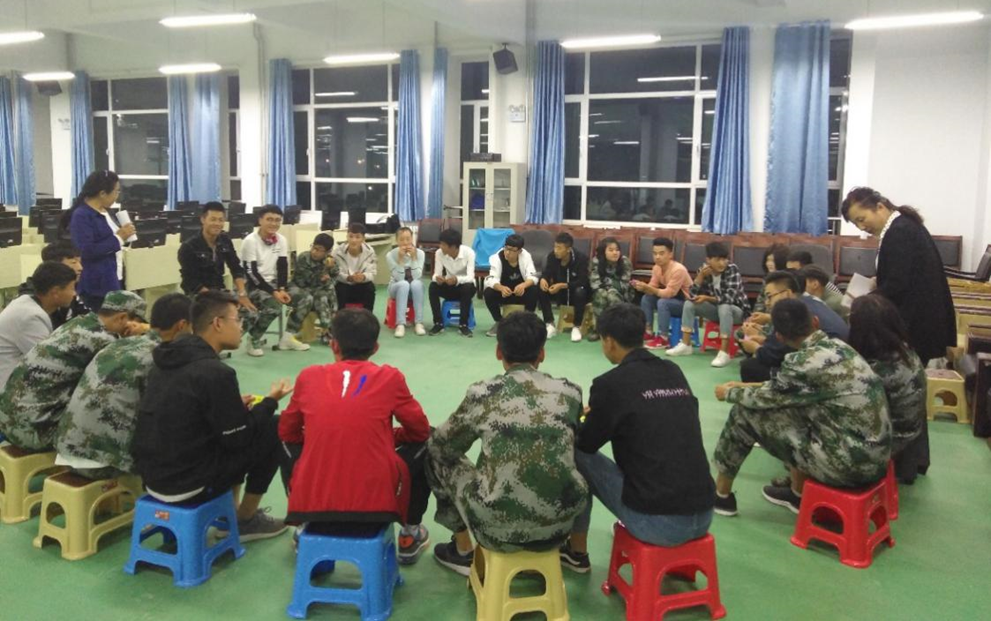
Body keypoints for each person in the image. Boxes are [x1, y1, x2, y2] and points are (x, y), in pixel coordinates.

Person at [427, 312, 588, 575]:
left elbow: (441, 447)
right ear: (542, 353)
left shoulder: (482, 394)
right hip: (558, 530)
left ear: (498, 352)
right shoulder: (570, 392)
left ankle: (463, 549)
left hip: (494, 531)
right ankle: (574, 551)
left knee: (433, 454)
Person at [561, 304, 714, 573]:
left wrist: (583, 418)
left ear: (609, 341)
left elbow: (587, 442)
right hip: (703, 516)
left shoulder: (609, 384)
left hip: (657, 524)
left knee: (573, 450)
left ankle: (577, 552)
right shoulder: (673, 370)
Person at [131, 291, 292, 542]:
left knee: (239, 426)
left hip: (153, 477)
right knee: (273, 426)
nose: (241, 327)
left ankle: (231, 513)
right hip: (188, 483)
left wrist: (233, 408)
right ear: (217, 323)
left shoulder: (166, 360)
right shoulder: (215, 372)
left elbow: (188, 414)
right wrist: (270, 402)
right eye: (237, 320)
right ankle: (245, 519)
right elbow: (238, 438)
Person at [279, 309, 433, 564]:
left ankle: (303, 524)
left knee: (283, 440)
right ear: (375, 348)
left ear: (333, 345)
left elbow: (288, 432)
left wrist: (323, 438)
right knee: (429, 440)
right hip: (378, 508)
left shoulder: (308, 376)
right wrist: (388, 436)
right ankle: (410, 531)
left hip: (316, 505)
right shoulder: (390, 377)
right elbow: (419, 430)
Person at [710, 299, 890, 516]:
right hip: (877, 459)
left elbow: (766, 399)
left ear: (779, 337)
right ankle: (797, 494)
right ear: (815, 322)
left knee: (743, 412)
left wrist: (729, 393)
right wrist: (743, 386)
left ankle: (721, 497)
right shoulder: (840, 347)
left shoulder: (802, 362)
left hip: (848, 467)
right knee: (797, 413)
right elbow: (784, 390)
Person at [842, 187, 955, 483]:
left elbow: (899, 284)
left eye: (862, 218)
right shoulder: (902, 227)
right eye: (856, 223)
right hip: (917, 322)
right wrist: (879, 283)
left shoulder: (900, 231)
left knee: (906, 395)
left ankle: (909, 466)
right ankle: (915, 462)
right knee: (910, 393)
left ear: (879, 206)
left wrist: (866, 301)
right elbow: (900, 276)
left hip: (916, 325)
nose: (862, 227)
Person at [55, 294, 192, 480]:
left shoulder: (117, 345)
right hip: (103, 463)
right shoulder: (161, 358)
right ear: (182, 326)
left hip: (65, 451)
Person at [0, 291, 146, 451]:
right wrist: (148, 330)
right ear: (122, 318)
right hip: (34, 431)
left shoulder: (78, 323)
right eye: (136, 323)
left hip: (8, 419)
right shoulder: (104, 340)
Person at [848, 295, 926, 471]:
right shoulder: (904, 351)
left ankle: (798, 485)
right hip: (907, 435)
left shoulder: (878, 369)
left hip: (888, 444)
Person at [738, 271, 849, 383]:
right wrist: (765, 340)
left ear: (787, 293)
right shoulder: (810, 301)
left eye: (769, 296)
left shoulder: (789, 313)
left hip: (823, 368)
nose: (767, 302)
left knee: (750, 367)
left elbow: (773, 356)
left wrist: (755, 348)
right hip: (841, 358)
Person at [667, 241, 749, 367]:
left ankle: (724, 352)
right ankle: (686, 344)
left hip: (737, 313)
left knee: (724, 306)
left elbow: (729, 298)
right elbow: (692, 295)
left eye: (724, 259)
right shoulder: (704, 271)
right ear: (708, 260)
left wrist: (707, 298)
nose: (722, 263)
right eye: (718, 260)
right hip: (717, 312)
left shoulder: (732, 269)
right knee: (689, 304)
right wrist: (700, 277)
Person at [64, 170, 134, 311]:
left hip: (114, 276)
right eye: (116, 191)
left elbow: (112, 241)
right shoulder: (82, 215)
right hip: (97, 283)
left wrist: (126, 236)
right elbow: (86, 250)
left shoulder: (106, 211)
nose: (117, 196)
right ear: (102, 193)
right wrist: (119, 237)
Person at [0, 262, 78, 386]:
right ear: (55, 292)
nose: (75, 294)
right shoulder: (30, 317)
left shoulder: (26, 302)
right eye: (72, 288)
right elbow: (50, 362)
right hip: (8, 389)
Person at [240, 205, 302, 356]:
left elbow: (282, 266)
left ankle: (287, 338)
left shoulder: (281, 240)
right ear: (260, 220)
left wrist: (282, 289)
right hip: (253, 284)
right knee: (274, 305)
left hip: (274, 284)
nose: (274, 223)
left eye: (277, 220)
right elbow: (252, 273)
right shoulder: (250, 241)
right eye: (269, 219)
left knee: (304, 297)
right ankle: (254, 338)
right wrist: (274, 292)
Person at [177, 202, 254, 317]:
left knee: (250, 313)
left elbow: (236, 268)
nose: (217, 224)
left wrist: (242, 294)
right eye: (213, 219)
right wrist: (219, 301)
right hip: (198, 295)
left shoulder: (225, 240)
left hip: (219, 291)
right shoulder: (189, 246)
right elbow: (191, 282)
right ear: (203, 220)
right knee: (225, 316)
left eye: (221, 220)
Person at [633, 237, 692, 349]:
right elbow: (653, 286)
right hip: (672, 300)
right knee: (646, 298)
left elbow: (669, 293)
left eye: (661, 253)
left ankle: (663, 338)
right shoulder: (657, 268)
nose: (657, 257)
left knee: (663, 302)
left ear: (670, 254)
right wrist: (642, 287)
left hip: (686, 304)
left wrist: (649, 288)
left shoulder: (678, 270)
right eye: (654, 253)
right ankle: (648, 332)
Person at [18, 242, 89, 329]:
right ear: (55, 265)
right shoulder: (32, 300)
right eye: (73, 262)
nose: (80, 268)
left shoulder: (71, 287)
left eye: (80, 262)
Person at [482, 234, 539, 338]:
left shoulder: (526, 256)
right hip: (504, 294)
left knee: (534, 290)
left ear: (519, 251)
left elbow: (533, 277)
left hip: (521, 294)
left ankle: (527, 323)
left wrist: (523, 285)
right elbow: (490, 279)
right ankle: (499, 322)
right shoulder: (497, 258)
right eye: (506, 248)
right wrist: (501, 288)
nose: (507, 252)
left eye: (512, 250)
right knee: (488, 292)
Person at [537, 232, 590, 343]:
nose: (555, 250)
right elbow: (547, 272)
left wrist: (562, 285)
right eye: (555, 247)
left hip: (577, 293)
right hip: (559, 293)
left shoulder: (581, 259)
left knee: (580, 291)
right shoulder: (552, 256)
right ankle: (549, 323)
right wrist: (543, 279)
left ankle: (576, 327)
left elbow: (583, 281)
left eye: (559, 248)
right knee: (541, 287)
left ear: (568, 249)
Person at [287, 233, 339, 344]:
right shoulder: (304, 258)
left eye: (320, 250)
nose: (315, 252)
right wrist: (325, 272)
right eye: (314, 247)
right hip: (299, 287)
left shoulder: (331, 261)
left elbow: (335, 278)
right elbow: (308, 280)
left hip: (317, 290)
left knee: (323, 294)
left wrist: (329, 275)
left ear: (328, 252)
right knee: (320, 294)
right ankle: (328, 328)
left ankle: (327, 328)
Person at [428, 228, 477, 338]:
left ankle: (463, 325)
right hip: (449, 286)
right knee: (433, 286)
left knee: (467, 287)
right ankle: (438, 323)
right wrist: (438, 278)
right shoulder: (439, 253)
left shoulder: (469, 253)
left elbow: (470, 277)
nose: (440, 246)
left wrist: (457, 279)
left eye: (443, 244)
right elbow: (436, 274)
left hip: (465, 288)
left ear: (453, 246)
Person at [588, 236, 635, 343]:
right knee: (600, 294)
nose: (615, 253)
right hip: (602, 291)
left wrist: (609, 287)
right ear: (603, 252)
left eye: (617, 250)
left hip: (624, 294)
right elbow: (595, 283)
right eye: (611, 250)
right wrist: (607, 287)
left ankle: (616, 331)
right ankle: (599, 329)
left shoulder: (625, 262)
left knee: (612, 295)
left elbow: (623, 285)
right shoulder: (596, 261)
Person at [385, 227, 426, 338]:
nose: (405, 242)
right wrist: (400, 260)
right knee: (404, 284)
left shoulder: (420, 253)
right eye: (402, 239)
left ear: (412, 239)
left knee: (416, 284)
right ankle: (400, 324)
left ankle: (419, 322)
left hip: (413, 289)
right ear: (397, 240)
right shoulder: (390, 255)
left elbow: (417, 276)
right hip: (396, 288)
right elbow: (399, 278)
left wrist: (413, 258)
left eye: (408, 239)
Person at [332, 223, 378, 312]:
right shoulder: (338, 252)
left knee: (370, 287)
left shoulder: (370, 252)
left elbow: (372, 272)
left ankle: (367, 316)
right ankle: (340, 317)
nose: (353, 240)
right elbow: (335, 272)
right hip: (345, 285)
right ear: (347, 237)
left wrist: (363, 277)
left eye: (357, 237)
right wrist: (348, 278)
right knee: (339, 287)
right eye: (351, 236)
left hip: (361, 286)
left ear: (363, 239)